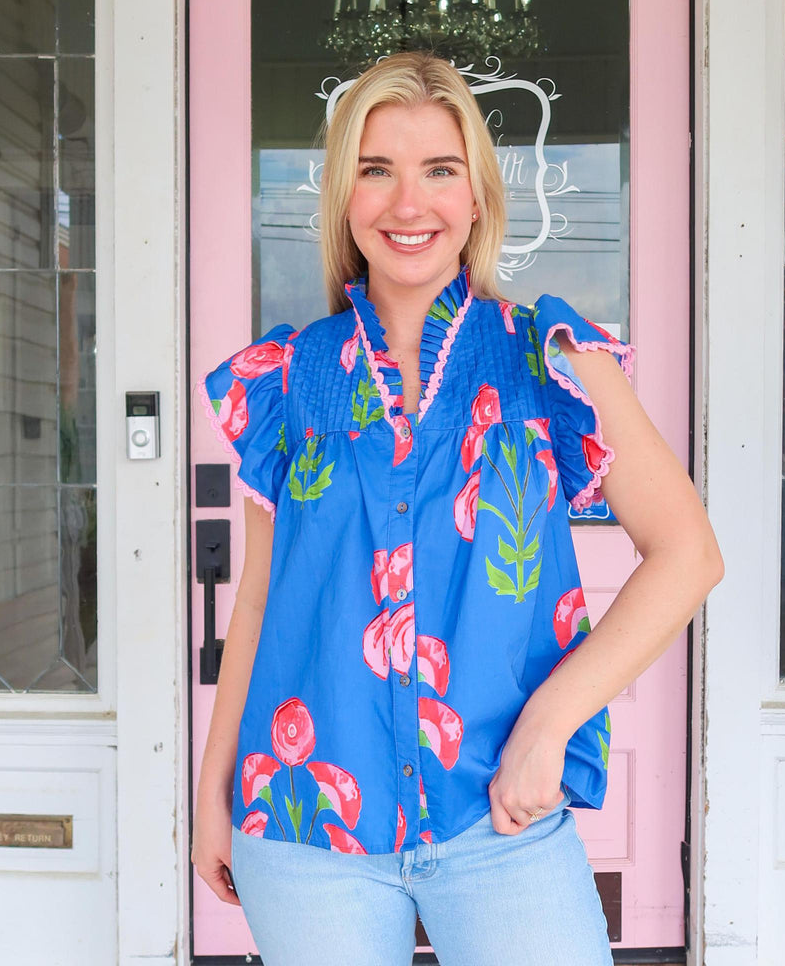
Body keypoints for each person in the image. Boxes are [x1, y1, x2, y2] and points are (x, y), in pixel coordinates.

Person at [192, 50, 723, 966]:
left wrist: (551, 723)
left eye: (439, 170)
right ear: (344, 199)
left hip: (499, 815)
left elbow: (687, 553)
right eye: (376, 170)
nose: (409, 203)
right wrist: (211, 788)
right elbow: (259, 600)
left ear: (476, 196)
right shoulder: (290, 379)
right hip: (305, 824)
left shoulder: (548, 360)